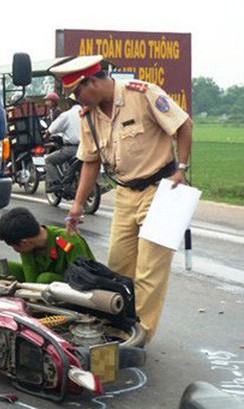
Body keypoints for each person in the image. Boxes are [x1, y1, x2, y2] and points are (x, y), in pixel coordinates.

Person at [50, 55, 193, 342]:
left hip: (163, 191)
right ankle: (120, 325)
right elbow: (90, 162)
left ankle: (140, 338)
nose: (77, 99)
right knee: (117, 266)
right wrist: (77, 206)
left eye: (78, 91)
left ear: (93, 81)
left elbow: (183, 125)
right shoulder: (88, 115)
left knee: (150, 271)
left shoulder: (142, 94)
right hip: (126, 195)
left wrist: (182, 168)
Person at [0, 207, 94, 283]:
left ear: (24, 242)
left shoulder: (68, 242)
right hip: (41, 281)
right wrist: (30, 294)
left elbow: (84, 277)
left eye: (13, 246)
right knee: (3, 268)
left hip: (74, 283)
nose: (15, 249)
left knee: (45, 279)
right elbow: (30, 275)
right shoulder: (27, 246)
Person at [44, 97, 82, 192]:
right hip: (86, 148)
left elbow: (52, 129)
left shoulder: (66, 114)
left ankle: (56, 183)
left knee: (48, 160)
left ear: (69, 103)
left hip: (71, 148)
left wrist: (45, 138)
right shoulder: (87, 112)